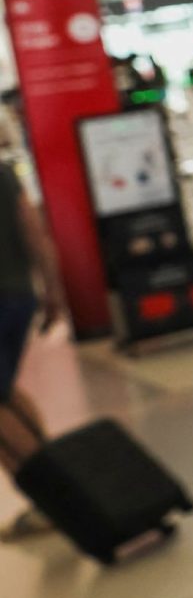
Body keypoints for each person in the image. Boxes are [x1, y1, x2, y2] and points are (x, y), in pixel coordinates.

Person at [0, 166, 69, 538]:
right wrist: (53, 290)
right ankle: (61, 479)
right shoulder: (5, 175)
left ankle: (52, 500)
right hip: (18, 297)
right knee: (6, 391)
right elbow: (35, 234)